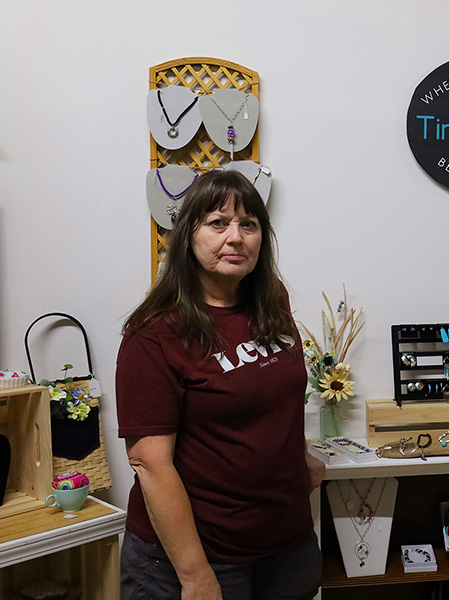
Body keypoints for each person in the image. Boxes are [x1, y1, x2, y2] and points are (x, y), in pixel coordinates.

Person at [116, 170, 325, 600]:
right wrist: (194, 575)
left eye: (249, 225)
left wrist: (300, 457)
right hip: (195, 558)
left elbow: (278, 395)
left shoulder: (272, 303)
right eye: (217, 223)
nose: (236, 237)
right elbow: (151, 464)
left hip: (287, 546)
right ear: (188, 234)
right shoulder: (156, 333)